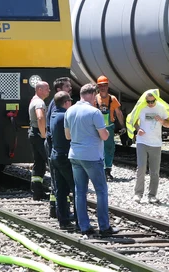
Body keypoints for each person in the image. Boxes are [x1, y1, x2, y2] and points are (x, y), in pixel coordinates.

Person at [65, 83, 118, 236]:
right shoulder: (95, 113)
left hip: (75, 155)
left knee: (80, 191)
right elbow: (104, 136)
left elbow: (68, 136)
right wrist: (105, 132)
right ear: (93, 95)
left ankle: (84, 226)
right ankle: (104, 227)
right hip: (92, 156)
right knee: (101, 190)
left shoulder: (70, 111)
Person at [126, 89, 169, 204]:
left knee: (154, 171)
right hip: (142, 142)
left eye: (152, 101)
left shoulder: (161, 107)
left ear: (156, 99)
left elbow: (168, 124)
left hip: (156, 143)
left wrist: (161, 120)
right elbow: (134, 121)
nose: (150, 104)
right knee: (141, 168)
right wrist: (138, 129)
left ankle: (152, 195)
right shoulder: (141, 107)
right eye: (148, 101)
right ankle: (138, 194)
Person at [49, 90, 78, 229]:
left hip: (55, 155)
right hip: (66, 156)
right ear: (66, 102)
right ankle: (80, 219)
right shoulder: (65, 116)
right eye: (70, 101)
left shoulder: (54, 115)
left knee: (60, 189)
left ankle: (63, 220)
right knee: (76, 187)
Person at [46, 77, 73, 218]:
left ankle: (58, 212)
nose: (70, 88)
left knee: (58, 184)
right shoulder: (58, 109)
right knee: (61, 184)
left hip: (55, 148)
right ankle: (59, 211)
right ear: (59, 90)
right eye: (67, 86)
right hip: (57, 148)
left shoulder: (55, 107)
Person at [94, 76, 123, 181]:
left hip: (109, 128)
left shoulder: (112, 99)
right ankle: (99, 170)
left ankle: (107, 170)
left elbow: (118, 113)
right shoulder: (95, 99)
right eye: (101, 85)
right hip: (96, 128)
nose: (103, 88)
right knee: (97, 149)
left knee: (109, 149)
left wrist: (122, 126)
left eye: (105, 85)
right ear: (98, 86)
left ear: (107, 86)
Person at [29, 81, 50, 200]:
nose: (49, 91)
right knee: (49, 161)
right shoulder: (39, 102)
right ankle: (55, 192)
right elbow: (40, 117)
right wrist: (44, 134)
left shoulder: (34, 100)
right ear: (40, 90)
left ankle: (37, 191)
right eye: (47, 89)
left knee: (39, 163)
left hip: (33, 132)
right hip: (38, 133)